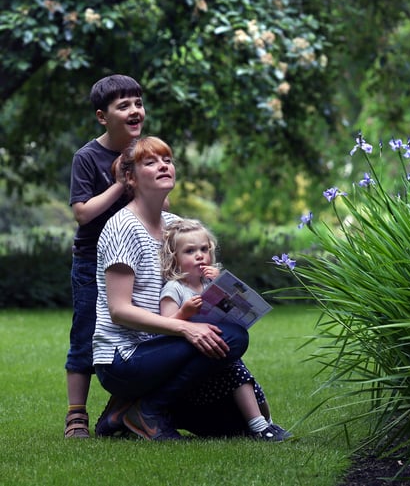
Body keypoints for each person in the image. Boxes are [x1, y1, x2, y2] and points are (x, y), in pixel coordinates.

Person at [91, 136, 275, 441]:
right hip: (124, 358)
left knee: (232, 425)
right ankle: (148, 408)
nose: (163, 165)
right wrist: (188, 330)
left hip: (165, 349)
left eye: (167, 160)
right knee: (233, 337)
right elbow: (119, 310)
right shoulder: (121, 227)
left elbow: (194, 282)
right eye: (150, 162)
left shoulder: (174, 225)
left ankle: (120, 415)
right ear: (130, 178)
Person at [159, 218, 291, 441]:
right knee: (236, 371)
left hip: (219, 349)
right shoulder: (175, 289)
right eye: (190, 251)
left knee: (248, 381)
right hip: (194, 357)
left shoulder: (209, 283)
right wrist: (184, 313)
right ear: (175, 258)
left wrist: (221, 283)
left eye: (203, 249)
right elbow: (166, 324)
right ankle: (260, 426)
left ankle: (266, 423)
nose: (199, 255)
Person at [64, 74, 145, 438]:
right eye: (123, 104)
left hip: (133, 261)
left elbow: (158, 206)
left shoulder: (145, 152)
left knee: (137, 334)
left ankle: (125, 409)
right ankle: (76, 415)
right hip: (92, 262)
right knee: (85, 334)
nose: (134, 110)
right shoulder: (87, 157)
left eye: (138, 103)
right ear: (102, 116)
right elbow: (82, 213)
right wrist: (119, 184)